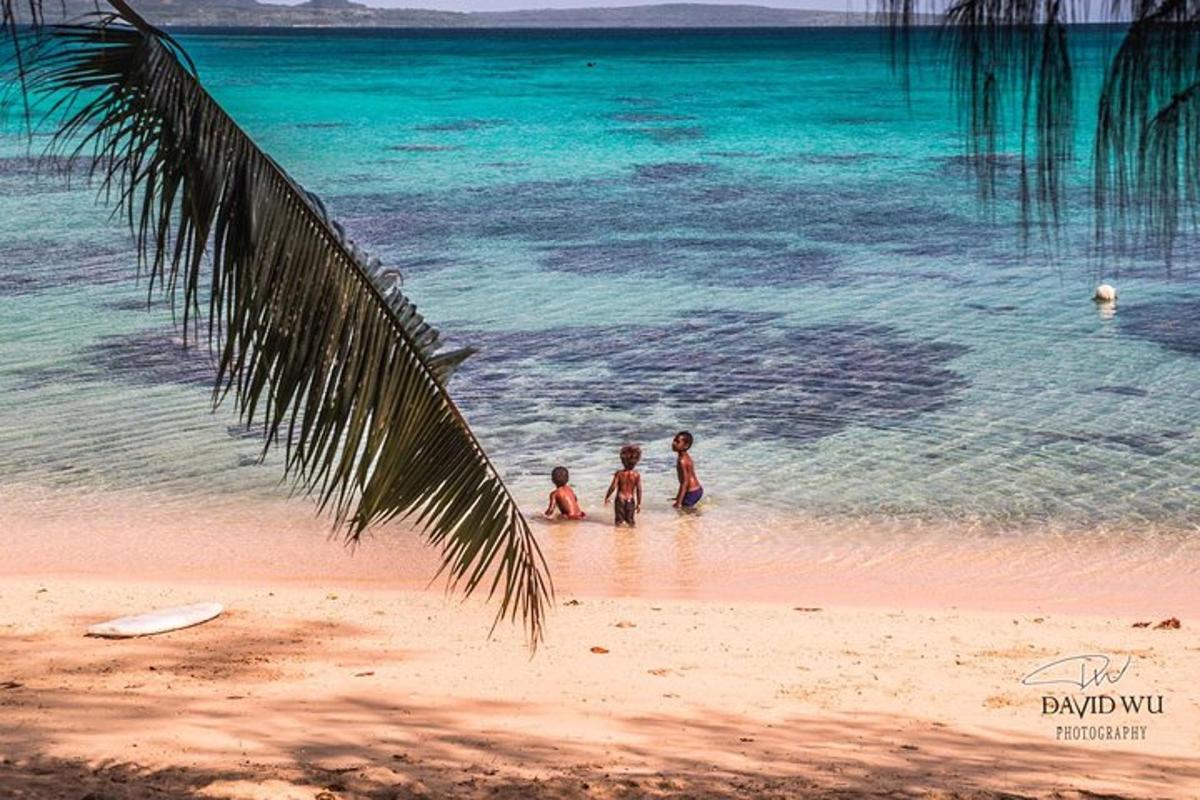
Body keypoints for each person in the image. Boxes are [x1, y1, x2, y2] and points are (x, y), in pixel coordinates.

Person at [604, 444, 642, 526]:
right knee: (631, 521)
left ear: (622, 460)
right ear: (637, 461)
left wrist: (607, 496)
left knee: (618, 521)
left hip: (620, 499)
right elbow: (639, 489)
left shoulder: (619, 474)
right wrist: (639, 503)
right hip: (630, 499)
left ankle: (618, 536)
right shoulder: (636, 475)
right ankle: (631, 536)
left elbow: (613, 486)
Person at [672, 430, 703, 509]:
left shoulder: (681, 461)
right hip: (697, 489)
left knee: (685, 513)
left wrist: (678, 502)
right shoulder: (687, 457)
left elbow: (684, 482)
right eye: (674, 440)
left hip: (691, 492)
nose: (673, 443)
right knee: (688, 511)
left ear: (686, 446)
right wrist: (678, 497)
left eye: (677, 441)